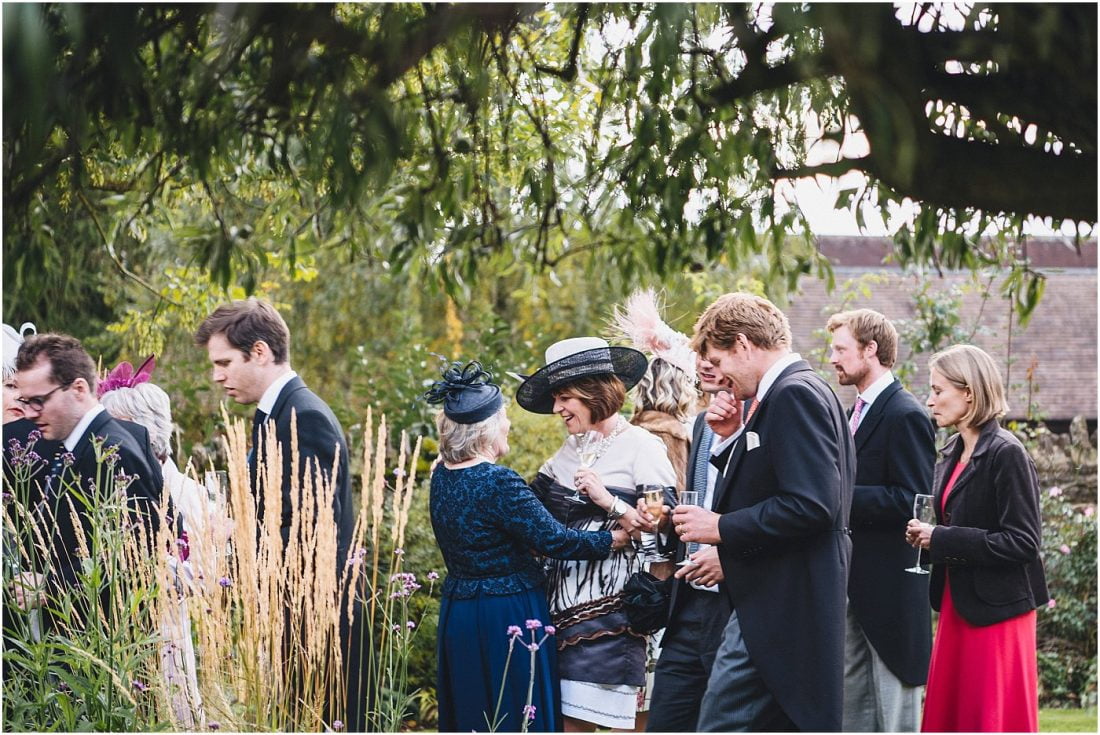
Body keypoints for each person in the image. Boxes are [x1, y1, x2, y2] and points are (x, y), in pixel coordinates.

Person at [672, 292, 854, 732]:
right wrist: (732, 438)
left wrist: (721, 527)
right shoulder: (798, 391)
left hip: (784, 602)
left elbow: (813, 504)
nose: (721, 375)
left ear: (743, 344)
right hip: (781, 596)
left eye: (720, 358)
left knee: (722, 722)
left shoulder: (792, 395)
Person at [428, 360, 634, 732]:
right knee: (516, 709)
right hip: (508, 613)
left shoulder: (441, 476)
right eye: (504, 417)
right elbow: (556, 540)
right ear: (487, 430)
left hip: (459, 610)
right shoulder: (498, 482)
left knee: (473, 708)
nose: (508, 424)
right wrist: (614, 539)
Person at [194, 297, 363, 731]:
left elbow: (308, 529)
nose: (217, 375)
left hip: (318, 620)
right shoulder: (273, 414)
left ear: (260, 352)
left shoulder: (304, 417)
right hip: (292, 612)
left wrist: (235, 539)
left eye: (224, 362)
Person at [518, 337, 673, 732]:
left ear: (593, 393)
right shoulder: (565, 454)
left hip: (616, 619)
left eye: (564, 397)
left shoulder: (643, 447)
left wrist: (610, 502)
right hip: (556, 616)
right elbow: (527, 513)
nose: (556, 409)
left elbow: (664, 527)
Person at [906, 344, 1048, 732]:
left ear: (969, 391)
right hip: (957, 600)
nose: (930, 400)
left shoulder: (1008, 454)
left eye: (938, 390)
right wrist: (929, 537)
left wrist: (942, 539)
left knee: (989, 715)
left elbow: (1023, 542)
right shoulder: (951, 449)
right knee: (954, 713)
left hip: (998, 611)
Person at [827, 309, 935, 731]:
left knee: (894, 714)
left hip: (890, 587)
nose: (832, 358)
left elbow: (912, 499)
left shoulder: (904, 413)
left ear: (871, 350)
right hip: (853, 580)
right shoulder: (854, 411)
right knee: (853, 709)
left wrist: (835, 497)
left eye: (840, 349)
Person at [11, 334, 165, 626]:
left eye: (39, 401)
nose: (29, 413)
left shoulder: (111, 451)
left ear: (79, 388)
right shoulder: (80, 445)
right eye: (24, 401)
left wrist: (51, 585)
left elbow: (134, 555)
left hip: (107, 646)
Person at [99, 364, 213, 727]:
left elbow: (206, 579)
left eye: (116, 427)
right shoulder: (111, 487)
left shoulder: (187, 493)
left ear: (143, 431)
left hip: (167, 642)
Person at [644, 353, 740, 732]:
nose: (704, 365)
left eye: (716, 356)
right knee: (665, 719)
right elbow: (692, 502)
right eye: (701, 357)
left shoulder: (765, 421)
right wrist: (664, 520)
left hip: (735, 604)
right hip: (686, 599)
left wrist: (728, 556)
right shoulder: (698, 425)